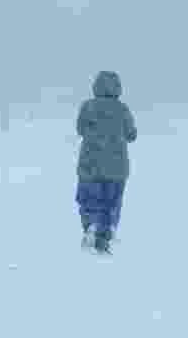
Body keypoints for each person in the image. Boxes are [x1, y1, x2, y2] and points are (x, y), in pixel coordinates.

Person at [75, 70, 137, 254]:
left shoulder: (88, 107)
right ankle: (106, 233)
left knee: (89, 199)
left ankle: (90, 227)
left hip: (90, 165)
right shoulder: (123, 109)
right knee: (111, 202)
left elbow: (80, 129)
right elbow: (131, 135)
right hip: (117, 168)